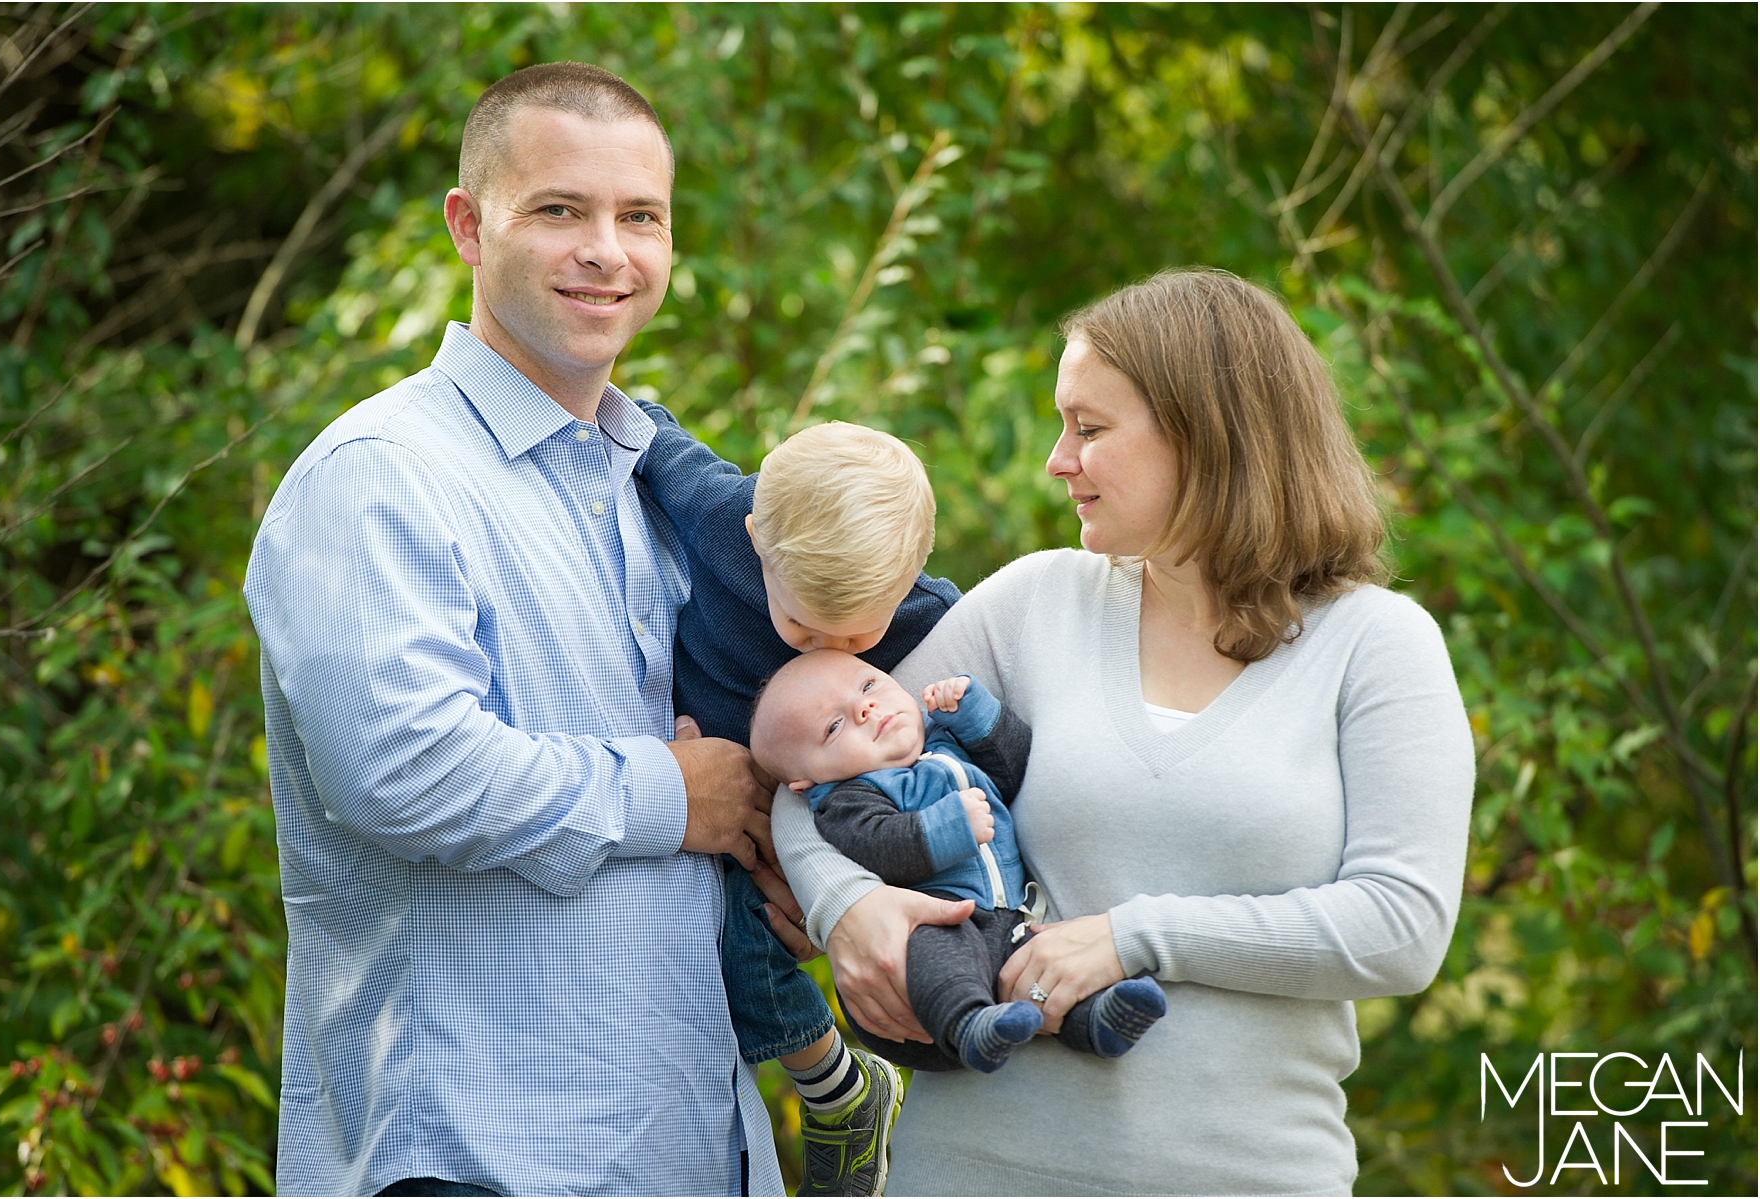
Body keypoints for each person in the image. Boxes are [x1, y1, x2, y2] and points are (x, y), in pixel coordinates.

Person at [774, 269, 1476, 1195]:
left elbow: (1401, 927)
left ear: (1206, 433)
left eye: (1091, 429)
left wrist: (1134, 936)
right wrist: (847, 908)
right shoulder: (1034, 603)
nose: (1058, 460)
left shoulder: (1377, 645)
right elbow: (804, 776)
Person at [245, 63, 786, 1196]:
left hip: (681, 1151)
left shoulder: (658, 489)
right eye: (559, 210)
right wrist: (672, 795)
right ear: (468, 226)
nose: (608, 249)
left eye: (641, 216)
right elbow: (402, 767)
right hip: (473, 1157)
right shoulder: (386, 472)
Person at [632, 414, 961, 1194]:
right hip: (702, 783)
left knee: (755, 937)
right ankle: (840, 1086)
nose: (825, 652)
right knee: (716, 944)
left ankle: (841, 1091)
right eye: (801, 625)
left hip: (824, 805)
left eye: (855, 638)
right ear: (756, 540)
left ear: (910, 572)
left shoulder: (930, 614)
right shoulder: (723, 516)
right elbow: (642, 428)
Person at [750, 654, 1168, 1074]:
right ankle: (969, 1025)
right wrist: (950, 826)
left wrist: (973, 711)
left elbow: (1016, 768)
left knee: (1044, 961)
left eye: (868, 687)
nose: (864, 709)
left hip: (1008, 920)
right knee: (938, 951)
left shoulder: (944, 742)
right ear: (803, 784)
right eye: (834, 726)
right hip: (928, 938)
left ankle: (1098, 1019)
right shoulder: (845, 799)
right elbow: (880, 844)